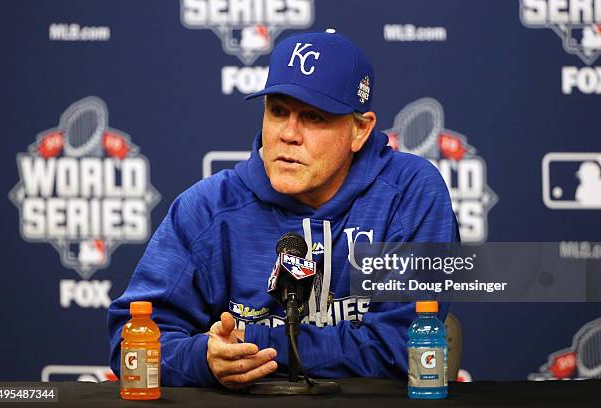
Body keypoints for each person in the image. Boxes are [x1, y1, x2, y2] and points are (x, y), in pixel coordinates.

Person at [107, 30, 459, 390]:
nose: (288, 134)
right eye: (278, 111)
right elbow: (131, 341)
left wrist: (255, 344)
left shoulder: (409, 195)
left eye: (314, 117)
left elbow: (405, 344)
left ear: (360, 130)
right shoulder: (208, 208)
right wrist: (205, 358)